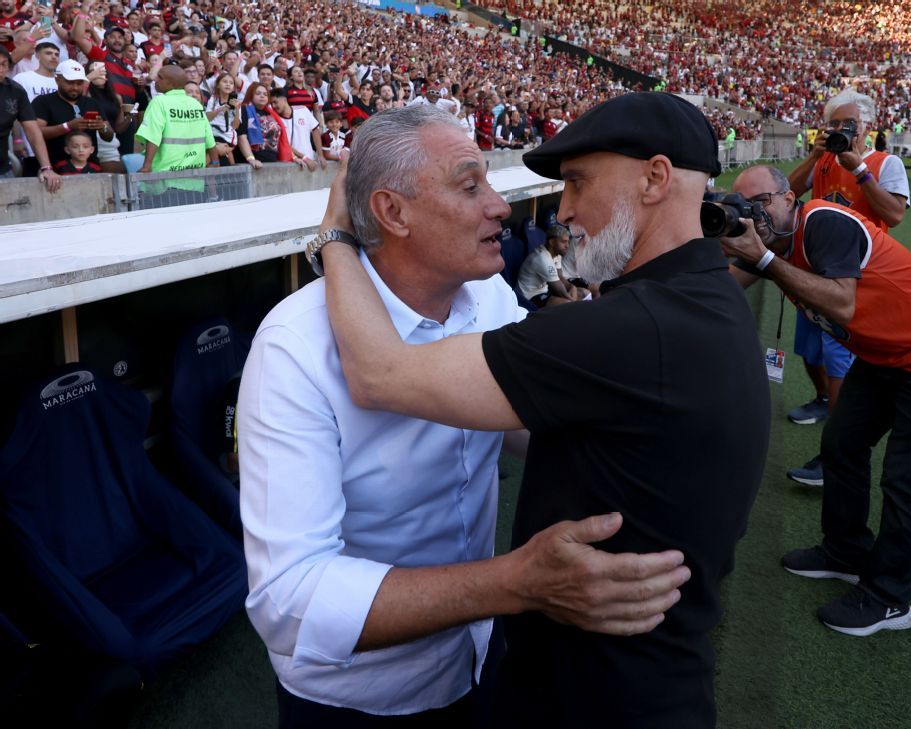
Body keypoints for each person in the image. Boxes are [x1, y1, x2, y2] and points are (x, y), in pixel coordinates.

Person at [315, 93, 769, 728]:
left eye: (579, 182)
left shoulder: (637, 327)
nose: (566, 211)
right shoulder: (701, 301)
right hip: (639, 682)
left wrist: (335, 236)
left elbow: (380, 373)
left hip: (596, 697)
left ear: (655, 178)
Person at [240, 103, 690, 726]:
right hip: (364, 698)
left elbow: (524, 427)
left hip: (478, 657)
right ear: (392, 212)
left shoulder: (486, 295)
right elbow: (290, 601)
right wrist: (518, 583)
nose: (501, 206)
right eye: (469, 184)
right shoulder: (293, 346)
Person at [721, 164, 911, 637]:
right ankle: (845, 552)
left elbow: (841, 303)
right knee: (841, 445)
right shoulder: (774, 241)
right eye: (743, 207)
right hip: (885, 356)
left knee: (907, 483)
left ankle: (891, 598)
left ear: (789, 200)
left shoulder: (822, 221)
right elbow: (723, 286)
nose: (753, 216)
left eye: (761, 203)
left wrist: (764, 261)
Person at [780, 89, 911, 486]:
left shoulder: (886, 163)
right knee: (809, 348)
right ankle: (822, 400)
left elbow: (894, 214)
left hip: (857, 276)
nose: (839, 130)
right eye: (833, 123)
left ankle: (832, 454)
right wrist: (816, 154)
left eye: (847, 124)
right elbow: (787, 195)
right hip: (814, 268)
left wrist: (859, 170)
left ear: (867, 126)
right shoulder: (822, 160)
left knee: (839, 358)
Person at [135, 64, 215, 201]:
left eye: (160, 77)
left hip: (163, 183)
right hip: (194, 184)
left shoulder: (159, 102)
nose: (155, 80)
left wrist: (147, 166)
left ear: (171, 83)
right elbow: (210, 140)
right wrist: (215, 163)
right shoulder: (195, 104)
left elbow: (152, 135)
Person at [32, 60, 112, 169]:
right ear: (57, 79)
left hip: (89, 168)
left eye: (79, 83)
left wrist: (103, 127)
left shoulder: (91, 103)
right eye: (70, 82)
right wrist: (68, 127)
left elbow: (109, 136)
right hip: (54, 168)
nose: (75, 87)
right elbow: (35, 132)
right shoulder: (43, 101)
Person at [0, 47, 60, 191]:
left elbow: (33, 131)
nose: (0, 69)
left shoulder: (15, 91)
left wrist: (46, 168)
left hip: (2, 168)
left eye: (3, 64)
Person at [516, 224, 579, 307]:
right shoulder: (542, 258)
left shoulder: (557, 254)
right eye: (563, 242)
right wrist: (574, 303)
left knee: (583, 293)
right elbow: (558, 288)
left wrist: (572, 287)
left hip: (544, 291)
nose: (567, 246)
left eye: (568, 241)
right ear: (552, 242)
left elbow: (560, 277)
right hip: (529, 296)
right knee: (567, 304)